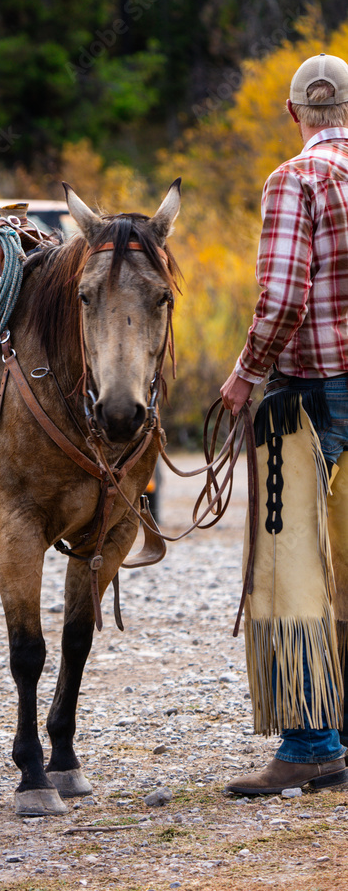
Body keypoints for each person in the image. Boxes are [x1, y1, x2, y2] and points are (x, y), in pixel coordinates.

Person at [221, 52, 348, 795]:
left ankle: (308, 746)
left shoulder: (292, 180)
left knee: (294, 564)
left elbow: (279, 301)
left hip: (311, 394)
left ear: (291, 113)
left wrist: (242, 378)